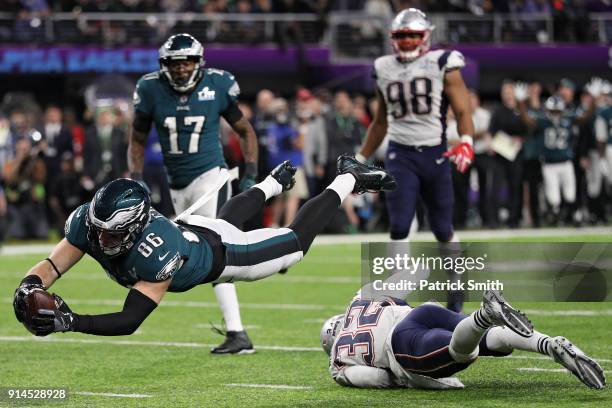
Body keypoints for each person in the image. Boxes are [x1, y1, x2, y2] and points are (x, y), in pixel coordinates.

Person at [12, 157, 396, 340]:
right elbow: (53, 263)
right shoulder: (90, 223)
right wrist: (29, 285)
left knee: (294, 245)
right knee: (223, 219)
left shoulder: (157, 252)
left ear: (135, 226)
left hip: (224, 255)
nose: (101, 242)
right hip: (196, 228)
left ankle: (348, 177)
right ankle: (272, 183)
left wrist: (72, 321)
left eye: (112, 235)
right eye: (98, 231)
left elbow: (130, 320)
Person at [127, 33, 260, 354]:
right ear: (164, 65)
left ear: (199, 62)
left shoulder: (217, 85)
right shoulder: (150, 88)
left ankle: (237, 332)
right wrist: (136, 177)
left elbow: (245, 131)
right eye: (175, 62)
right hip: (177, 183)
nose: (182, 68)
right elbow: (137, 140)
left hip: (210, 177)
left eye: (187, 61)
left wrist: (251, 173)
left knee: (216, 250)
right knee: (187, 251)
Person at [355, 8, 475, 312]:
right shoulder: (383, 67)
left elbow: (462, 110)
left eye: (413, 35)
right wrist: (359, 158)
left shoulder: (443, 62)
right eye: (402, 35)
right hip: (401, 153)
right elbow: (380, 121)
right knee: (399, 223)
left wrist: (467, 142)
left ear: (425, 36)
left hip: (436, 152)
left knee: (441, 226)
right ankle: (399, 293)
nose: (407, 41)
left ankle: (456, 287)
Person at [321, 290, 606, 390]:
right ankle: (549, 344)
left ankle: (483, 314)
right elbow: (398, 297)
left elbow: (375, 378)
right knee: (489, 339)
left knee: (461, 352)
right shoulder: (357, 301)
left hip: (400, 344)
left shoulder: (337, 358)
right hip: (420, 313)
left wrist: (397, 379)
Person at [514, 79, 601, 225]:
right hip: (549, 164)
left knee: (570, 195)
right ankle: (555, 213)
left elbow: (586, 117)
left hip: (566, 163)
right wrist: (521, 101)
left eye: (557, 111)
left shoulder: (568, 118)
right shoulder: (542, 121)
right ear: (547, 110)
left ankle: (570, 215)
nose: (555, 114)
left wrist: (593, 100)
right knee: (554, 199)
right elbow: (525, 119)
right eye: (552, 111)